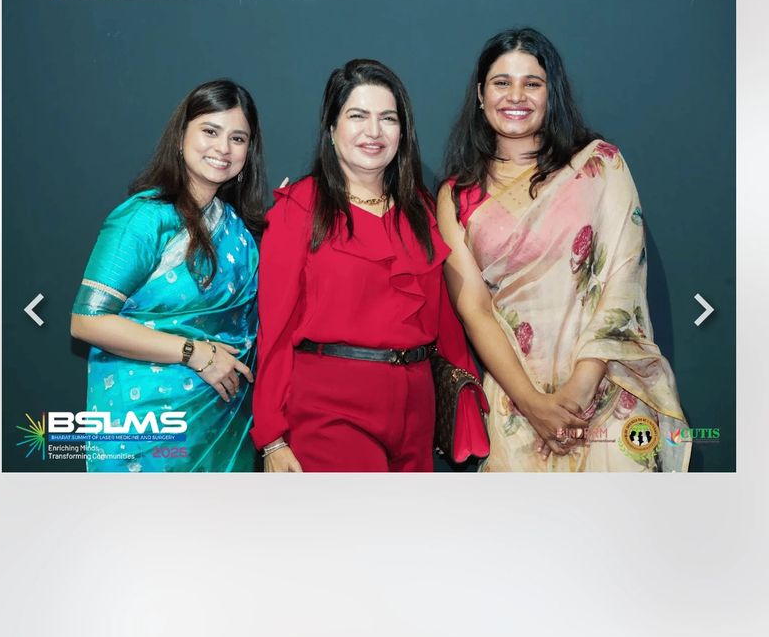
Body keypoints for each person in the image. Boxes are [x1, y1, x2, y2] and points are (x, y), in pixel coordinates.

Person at [437, 29, 690, 472]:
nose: (516, 96)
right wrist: (533, 404)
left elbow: (622, 278)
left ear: (551, 93)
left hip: (607, 392)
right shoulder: (458, 196)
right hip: (517, 401)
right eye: (501, 82)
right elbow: (474, 309)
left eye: (532, 83)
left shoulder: (599, 166)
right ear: (480, 94)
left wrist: (579, 391)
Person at [252, 57, 488, 473]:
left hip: (417, 408)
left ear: (403, 132)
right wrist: (271, 436)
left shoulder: (421, 210)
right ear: (331, 129)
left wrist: (467, 396)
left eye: (388, 118)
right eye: (357, 116)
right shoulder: (299, 208)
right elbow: (274, 331)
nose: (374, 131)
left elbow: (446, 319)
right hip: (329, 408)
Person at [70, 78, 267, 472]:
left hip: (222, 427)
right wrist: (195, 353)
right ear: (181, 137)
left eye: (238, 138)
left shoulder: (239, 230)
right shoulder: (145, 219)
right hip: (148, 430)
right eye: (210, 131)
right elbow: (86, 321)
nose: (223, 148)